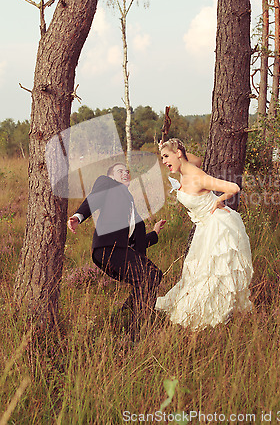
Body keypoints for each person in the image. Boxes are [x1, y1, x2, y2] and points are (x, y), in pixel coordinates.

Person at [156, 139, 253, 329]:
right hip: (204, 227)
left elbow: (234, 188)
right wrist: (166, 147)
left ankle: (216, 313)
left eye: (166, 157)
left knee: (213, 272)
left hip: (218, 226)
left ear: (178, 154)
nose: (164, 162)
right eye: (161, 158)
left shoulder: (197, 176)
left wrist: (219, 201)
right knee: (198, 271)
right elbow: (196, 159)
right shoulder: (187, 166)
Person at [67, 162, 166, 340]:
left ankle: (122, 317)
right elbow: (94, 197)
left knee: (154, 276)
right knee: (149, 277)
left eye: (127, 171)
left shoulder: (128, 200)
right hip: (108, 248)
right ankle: (136, 331)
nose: (126, 173)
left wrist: (155, 233)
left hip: (119, 249)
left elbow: (135, 238)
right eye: (120, 171)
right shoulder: (106, 183)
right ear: (111, 176)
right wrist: (78, 216)